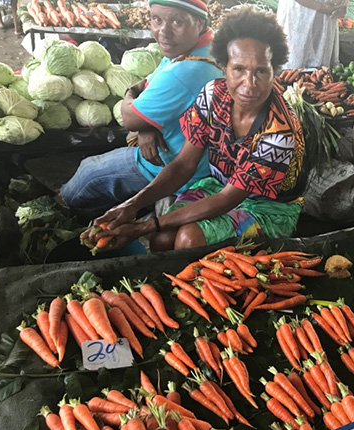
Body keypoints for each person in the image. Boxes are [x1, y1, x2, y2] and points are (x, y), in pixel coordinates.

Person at [81, 6, 307, 252]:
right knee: (163, 238)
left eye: (261, 71)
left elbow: (226, 200)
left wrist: (143, 227)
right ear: (224, 67)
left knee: (188, 239)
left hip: (269, 208)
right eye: (239, 69)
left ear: (275, 71)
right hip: (217, 186)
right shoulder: (212, 96)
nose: (249, 84)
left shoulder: (279, 132)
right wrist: (131, 206)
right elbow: (183, 165)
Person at [59, 0, 222, 218]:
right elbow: (146, 85)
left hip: (172, 165)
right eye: (157, 19)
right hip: (196, 156)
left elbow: (130, 118)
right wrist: (147, 127)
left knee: (87, 173)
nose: (164, 32)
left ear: (201, 24)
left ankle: (63, 208)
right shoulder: (200, 49)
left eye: (177, 22)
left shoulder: (187, 70)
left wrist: (135, 106)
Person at [276, 0, 348, 69]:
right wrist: (321, 7)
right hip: (302, 15)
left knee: (322, 72)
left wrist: (343, 4)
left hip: (328, 17)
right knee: (295, 69)